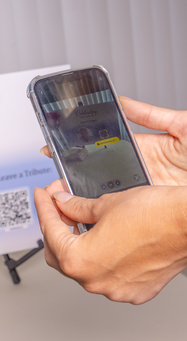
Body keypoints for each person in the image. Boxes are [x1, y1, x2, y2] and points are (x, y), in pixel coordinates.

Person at [34, 96, 187, 305]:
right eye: (80, 132)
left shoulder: (122, 147)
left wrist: (179, 227)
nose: (85, 133)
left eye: (87, 130)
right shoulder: (83, 152)